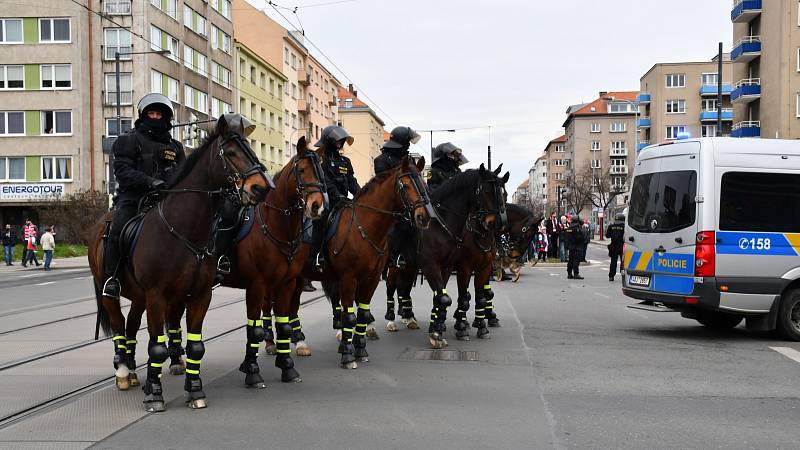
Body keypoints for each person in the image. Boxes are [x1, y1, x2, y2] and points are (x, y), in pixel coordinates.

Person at [102, 93, 186, 299]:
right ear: (143, 115)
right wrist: (150, 182)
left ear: (166, 118)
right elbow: (122, 171)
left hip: (167, 200)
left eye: (159, 114)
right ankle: (111, 279)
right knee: (117, 231)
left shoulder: (175, 147)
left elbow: (184, 173)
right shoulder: (128, 140)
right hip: (134, 199)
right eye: (152, 113)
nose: (155, 117)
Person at [310, 125, 360, 272]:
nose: (340, 142)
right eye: (337, 140)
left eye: (341, 140)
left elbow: (351, 180)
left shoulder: (345, 161)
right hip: (327, 200)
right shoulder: (320, 159)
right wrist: (337, 196)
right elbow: (325, 181)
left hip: (344, 200)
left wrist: (361, 194)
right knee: (321, 220)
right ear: (329, 141)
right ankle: (316, 256)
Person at [374, 126, 421, 268]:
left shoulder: (408, 160)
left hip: (406, 201)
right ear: (402, 143)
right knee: (403, 223)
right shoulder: (381, 160)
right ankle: (394, 256)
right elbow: (383, 184)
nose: (408, 146)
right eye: (407, 142)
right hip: (388, 202)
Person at [564, 215, 586, 280]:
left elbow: (567, 238)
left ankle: (569, 274)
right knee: (576, 261)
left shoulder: (569, 228)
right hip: (577, 247)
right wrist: (583, 234)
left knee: (570, 260)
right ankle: (576, 274)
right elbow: (579, 238)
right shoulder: (577, 229)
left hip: (571, 247)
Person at [606, 213, 625, 282]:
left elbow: (607, 235)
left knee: (613, 262)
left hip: (613, 246)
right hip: (622, 246)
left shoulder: (611, 226)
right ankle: (623, 276)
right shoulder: (624, 226)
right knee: (623, 262)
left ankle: (611, 276)